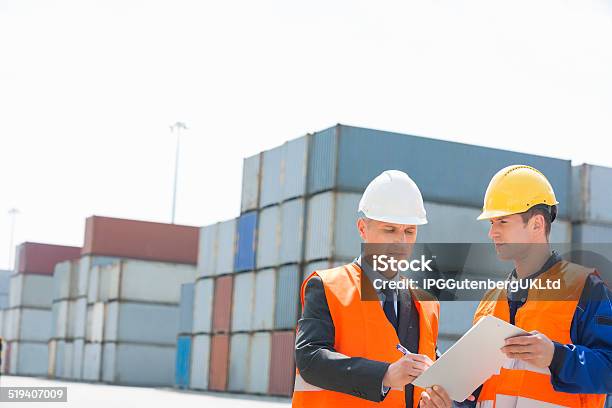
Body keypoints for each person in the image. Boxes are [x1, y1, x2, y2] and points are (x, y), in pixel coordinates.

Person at [292, 170, 456, 408]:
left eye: (409, 232)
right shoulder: (327, 287)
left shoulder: (426, 304)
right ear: (362, 228)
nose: (400, 242)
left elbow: (421, 383)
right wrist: (385, 375)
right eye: (389, 230)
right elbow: (310, 360)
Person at [466, 164, 612, 407]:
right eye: (492, 223)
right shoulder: (490, 301)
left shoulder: (586, 289)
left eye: (502, 221)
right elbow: (477, 392)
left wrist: (557, 356)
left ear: (536, 224)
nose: (492, 233)